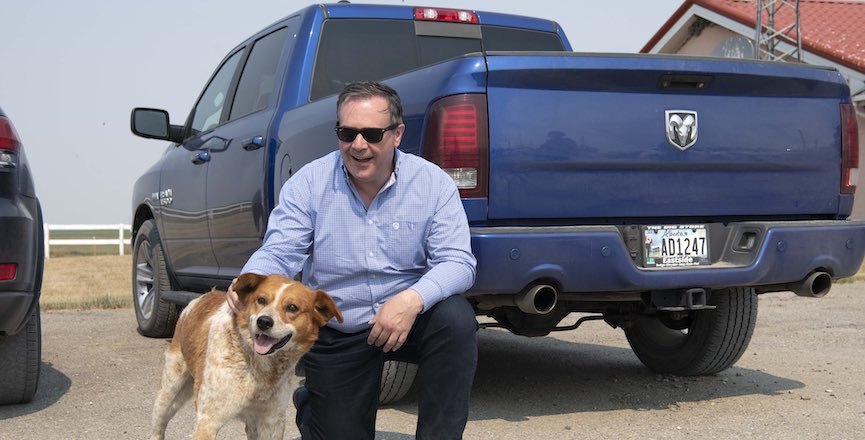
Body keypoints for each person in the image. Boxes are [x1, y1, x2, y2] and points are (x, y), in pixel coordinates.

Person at [227, 81, 478, 439]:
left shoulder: (432, 184)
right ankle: (315, 405)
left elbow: (459, 262)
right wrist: (249, 279)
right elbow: (281, 250)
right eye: (348, 133)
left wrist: (411, 300)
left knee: (455, 320)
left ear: (397, 135)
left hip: (407, 318)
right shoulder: (309, 184)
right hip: (340, 329)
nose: (359, 145)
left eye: (373, 134)